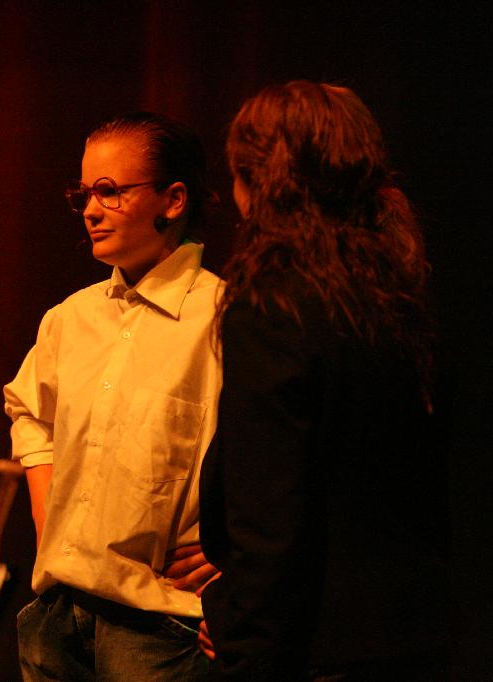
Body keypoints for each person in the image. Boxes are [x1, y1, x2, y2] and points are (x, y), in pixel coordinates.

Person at [199, 81, 449, 679]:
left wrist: (244, 644)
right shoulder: (399, 297)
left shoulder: (274, 308)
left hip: (315, 648)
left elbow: (272, 519)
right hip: (412, 639)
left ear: (258, 183)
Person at [4, 112, 222, 681]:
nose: (91, 210)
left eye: (109, 191)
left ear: (173, 200)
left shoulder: (222, 319)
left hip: (159, 626)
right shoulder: (70, 318)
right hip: (58, 615)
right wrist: (48, 518)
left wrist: (236, 554)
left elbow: (278, 454)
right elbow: (30, 414)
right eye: (84, 194)